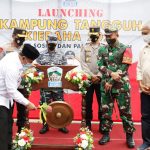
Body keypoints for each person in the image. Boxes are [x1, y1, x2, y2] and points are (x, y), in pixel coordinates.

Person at [97, 27, 135, 148]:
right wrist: (110, 74)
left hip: (121, 86)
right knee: (105, 111)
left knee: (125, 112)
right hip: (106, 86)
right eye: (106, 36)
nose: (108, 38)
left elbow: (124, 68)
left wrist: (112, 79)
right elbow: (100, 65)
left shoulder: (125, 48)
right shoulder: (102, 49)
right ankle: (106, 134)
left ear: (117, 34)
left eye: (110, 36)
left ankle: (129, 136)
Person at [0, 43, 39, 150]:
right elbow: (12, 90)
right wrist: (27, 103)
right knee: (2, 132)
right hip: (1, 100)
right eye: (29, 61)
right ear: (23, 57)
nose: (29, 64)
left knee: (8, 127)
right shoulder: (12, 65)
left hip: (7, 99)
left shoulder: (14, 56)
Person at [36, 33, 69, 134]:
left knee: (60, 105)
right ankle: (45, 125)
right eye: (50, 43)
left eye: (54, 44)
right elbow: (37, 69)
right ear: (47, 42)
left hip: (58, 86)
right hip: (45, 86)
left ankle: (61, 125)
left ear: (56, 44)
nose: (52, 45)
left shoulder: (61, 55)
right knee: (45, 105)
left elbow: (65, 69)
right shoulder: (40, 55)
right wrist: (42, 74)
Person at [1, 28, 30, 133]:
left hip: (22, 85)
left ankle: (21, 135)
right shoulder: (5, 48)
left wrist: (28, 73)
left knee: (22, 111)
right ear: (13, 36)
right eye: (19, 38)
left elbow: (30, 64)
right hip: (8, 86)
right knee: (8, 112)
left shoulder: (25, 49)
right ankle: (8, 135)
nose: (21, 40)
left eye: (23, 38)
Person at [80, 26, 102, 131]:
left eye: (95, 36)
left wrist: (98, 75)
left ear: (99, 35)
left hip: (101, 79)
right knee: (87, 103)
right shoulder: (85, 47)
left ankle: (102, 124)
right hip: (88, 80)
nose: (93, 37)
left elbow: (106, 63)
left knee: (102, 102)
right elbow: (83, 63)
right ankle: (87, 124)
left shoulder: (104, 47)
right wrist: (91, 76)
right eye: (92, 36)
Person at [137, 22, 150, 150]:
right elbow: (139, 68)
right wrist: (140, 83)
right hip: (145, 89)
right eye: (143, 33)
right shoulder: (143, 49)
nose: (143, 35)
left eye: (146, 33)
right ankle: (146, 142)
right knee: (145, 117)